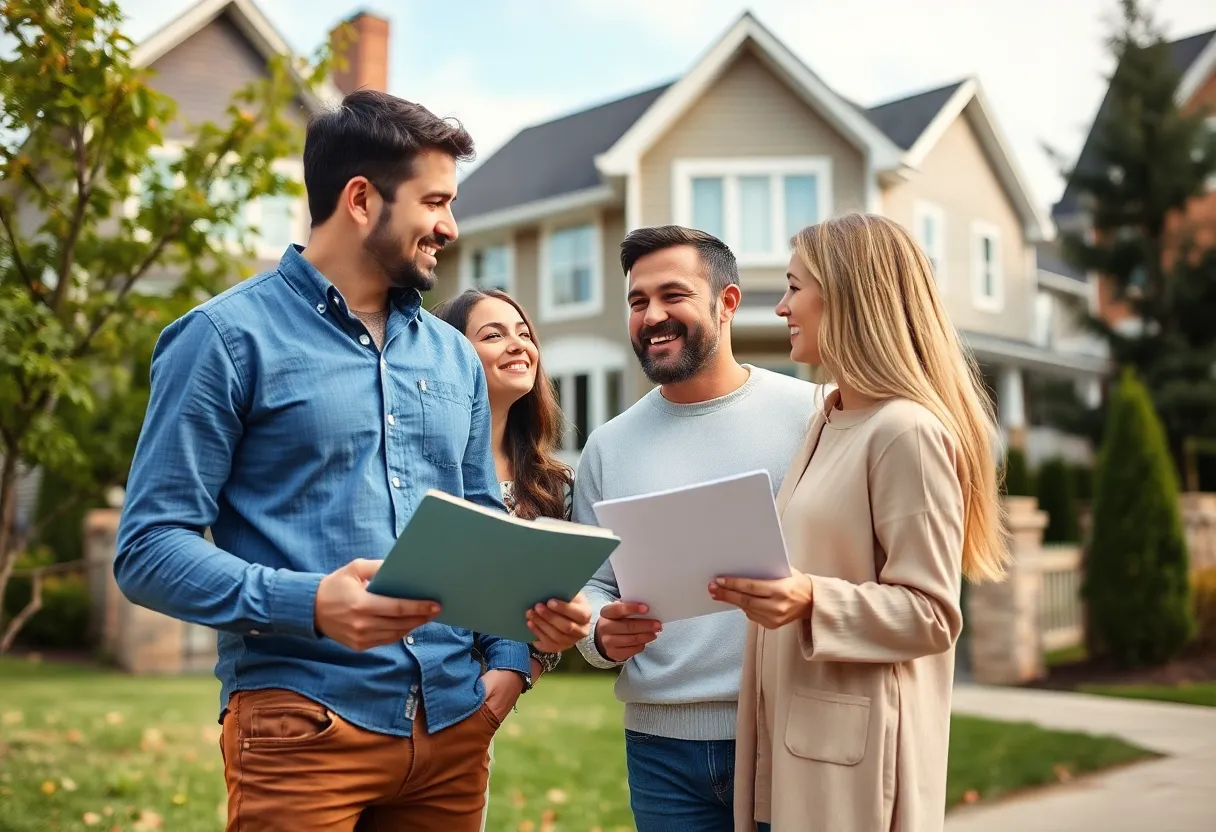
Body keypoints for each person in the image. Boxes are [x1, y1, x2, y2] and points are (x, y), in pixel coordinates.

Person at [115, 90, 569, 832]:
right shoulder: (223, 339)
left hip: (454, 727)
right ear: (361, 199)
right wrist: (311, 603)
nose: (450, 227)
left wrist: (513, 657)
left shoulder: (453, 356)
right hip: (304, 728)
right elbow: (147, 549)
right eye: (435, 202)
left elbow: (482, 520)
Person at [710, 213, 1007, 832]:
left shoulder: (906, 432)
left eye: (794, 287)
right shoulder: (829, 418)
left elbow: (931, 613)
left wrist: (807, 597)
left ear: (848, 296)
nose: (782, 308)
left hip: (857, 767)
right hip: (789, 746)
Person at [572, 225, 820, 832]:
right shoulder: (607, 446)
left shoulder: (815, 414)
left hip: (787, 731)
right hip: (659, 750)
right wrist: (600, 633)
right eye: (637, 302)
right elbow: (592, 584)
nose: (652, 315)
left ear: (727, 302)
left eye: (672, 295)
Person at [430, 287, 593, 831]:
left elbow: (555, 601)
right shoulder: (422, 461)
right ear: (451, 351)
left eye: (525, 332)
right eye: (493, 334)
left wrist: (517, 673)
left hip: (481, 708)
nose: (518, 344)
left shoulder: (554, 485)